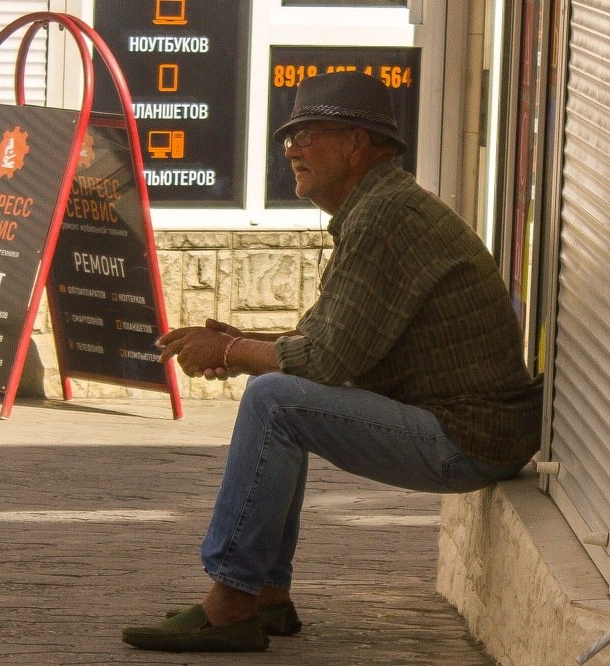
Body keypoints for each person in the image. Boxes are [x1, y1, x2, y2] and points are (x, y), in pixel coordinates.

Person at [121, 71, 544, 653]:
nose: (291, 148)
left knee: (274, 402)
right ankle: (266, 597)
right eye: (288, 136)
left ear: (357, 144)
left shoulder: (386, 218)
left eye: (308, 134)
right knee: (278, 396)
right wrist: (242, 340)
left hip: (468, 439)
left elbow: (323, 360)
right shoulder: (381, 208)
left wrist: (229, 352)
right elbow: (327, 339)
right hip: (473, 431)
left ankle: (233, 603)